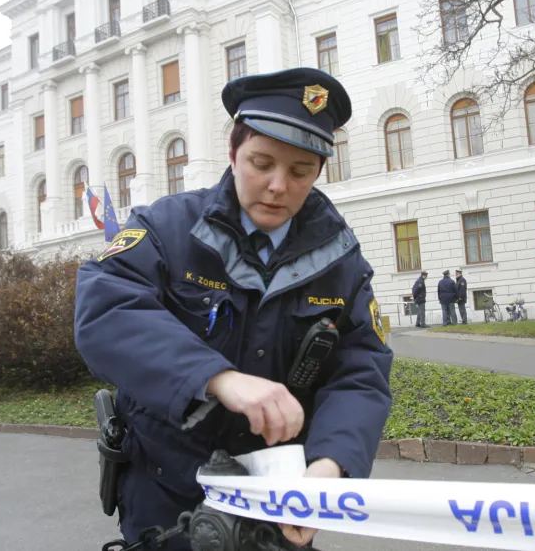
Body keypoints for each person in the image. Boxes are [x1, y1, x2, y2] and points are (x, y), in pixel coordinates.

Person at [74, 67, 393, 551]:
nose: (277, 186)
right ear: (232, 153)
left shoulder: (343, 262)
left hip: (279, 502)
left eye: (300, 172)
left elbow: (361, 373)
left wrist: (331, 465)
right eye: (261, 163)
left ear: (320, 171)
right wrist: (219, 379)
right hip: (169, 501)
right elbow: (105, 311)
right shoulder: (167, 227)